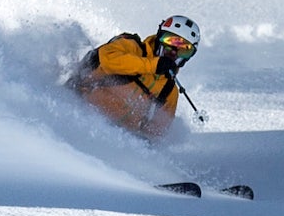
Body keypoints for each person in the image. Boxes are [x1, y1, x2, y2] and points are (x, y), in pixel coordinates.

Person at [67, 15, 201, 139]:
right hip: (76, 111)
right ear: (159, 37)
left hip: (110, 138)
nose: (173, 51)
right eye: (170, 41)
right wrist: (152, 66)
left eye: (184, 49)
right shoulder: (132, 47)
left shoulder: (169, 91)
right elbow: (107, 59)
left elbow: (158, 133)